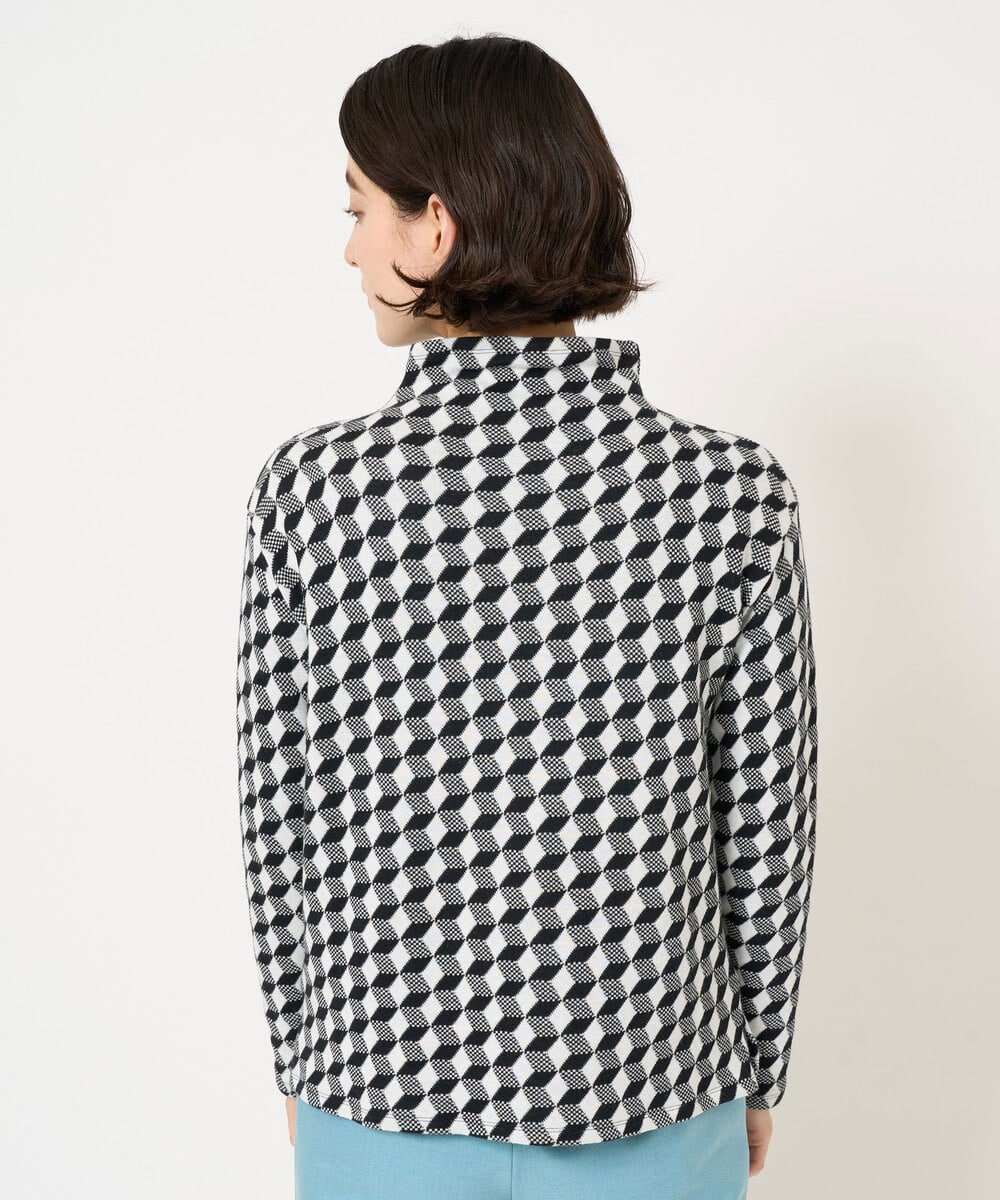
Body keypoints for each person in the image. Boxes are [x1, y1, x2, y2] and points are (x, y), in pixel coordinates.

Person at [236, 32, 819, 1200]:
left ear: (434, 227)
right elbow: (765, 822)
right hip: (658, 1097)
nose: (348, 248)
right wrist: (756, 1065)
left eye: (358, 209)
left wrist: (302, 1053)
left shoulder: (316, 492)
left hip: (380, 1103)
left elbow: (279, 816)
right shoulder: (729, 493)